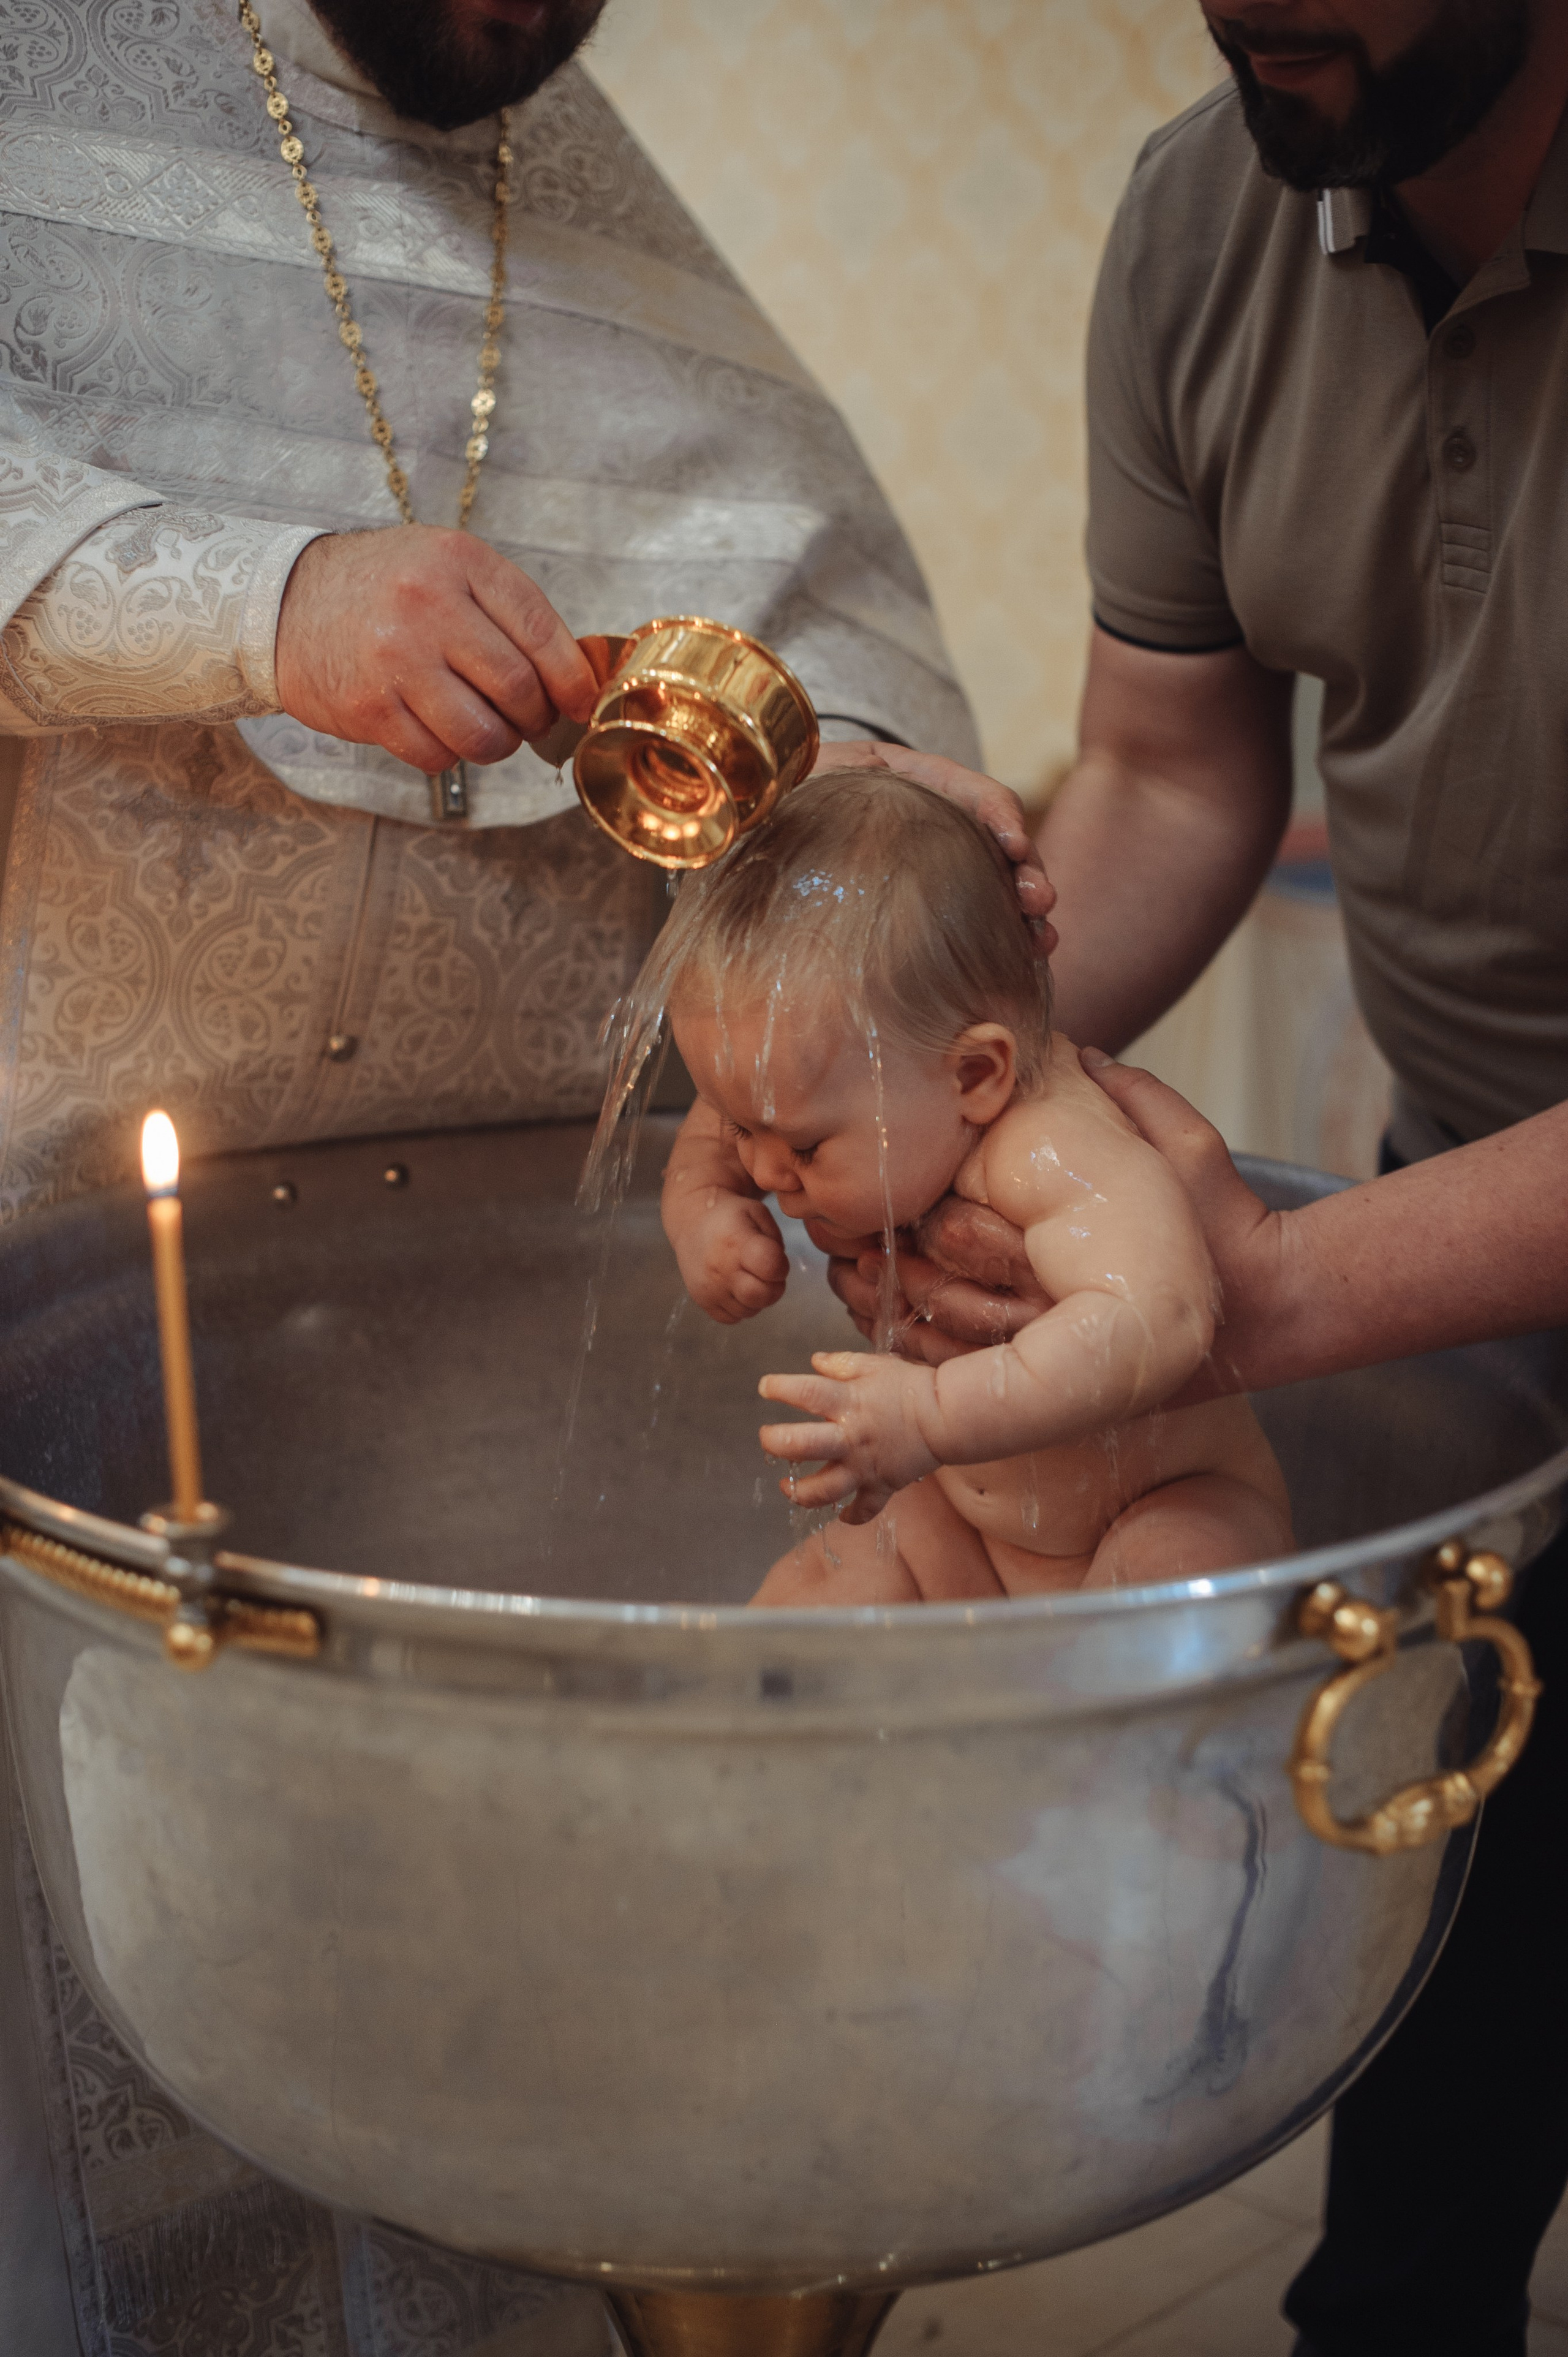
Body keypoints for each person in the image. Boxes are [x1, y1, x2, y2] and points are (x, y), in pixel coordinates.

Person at [0, 6, 1060, 2356]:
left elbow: (823, 613)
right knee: (112, 2076)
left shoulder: (570, 171)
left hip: (492, 1366)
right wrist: (259, 597)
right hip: (79, 1308)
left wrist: (859, 762)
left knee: (485, 2057)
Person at [824, 6, 1568, 2353]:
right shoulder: (1207, 205)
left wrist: (1262, 1286)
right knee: (1458, 1972)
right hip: (1473, 1196)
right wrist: (950, 1071)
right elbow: (1165, 767)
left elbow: (1251, 1303)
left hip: (1407, 1246)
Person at [641, 769, 1291, 1601]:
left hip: (1152, 1508)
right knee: (809, 1603)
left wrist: (931, 1415)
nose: (765, 1172)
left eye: (801, 1145)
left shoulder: (1050, 1147)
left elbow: (1158, 1317)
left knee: (1177, 1574)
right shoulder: (860, 1087)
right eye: (742, 1129)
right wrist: (700, 1207)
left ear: (976, 1075)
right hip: (976, 1535)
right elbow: (737, 1117)